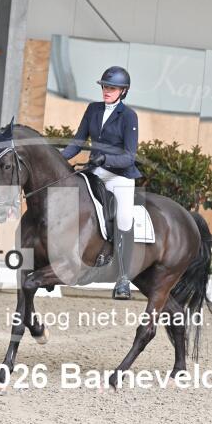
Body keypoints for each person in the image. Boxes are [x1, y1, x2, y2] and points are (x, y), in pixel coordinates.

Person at [60, 66, 141, 300]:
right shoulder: (93, 109)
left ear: (123, 91)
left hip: (119, 176)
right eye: (105, 86)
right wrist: (59, 158)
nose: (107, 91)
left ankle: (123, 278)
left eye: (112, 88)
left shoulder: (128, 116)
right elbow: (78, 142)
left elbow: (130, 156)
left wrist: (106, 159)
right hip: (95, 171)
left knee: (123, 218)